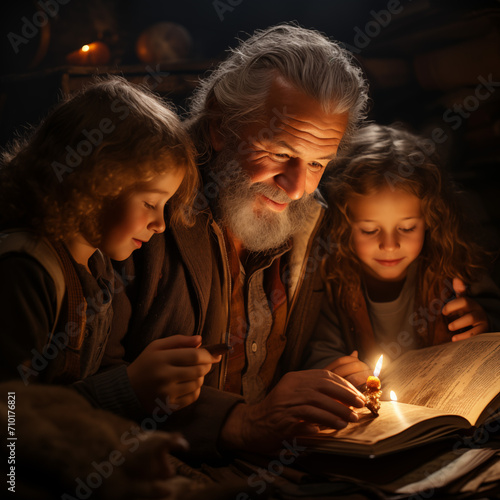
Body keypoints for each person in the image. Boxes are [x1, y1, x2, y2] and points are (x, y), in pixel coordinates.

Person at [109, 23, 370, 456]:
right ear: (219, 126)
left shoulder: (312, 219)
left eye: (318, 163)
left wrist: (329, 381)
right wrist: (239, 422)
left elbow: (303, 346)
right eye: (281, 154)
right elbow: (79, 387)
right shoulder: (144, 210)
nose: (298, 187)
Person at [0, 76, 219, 415]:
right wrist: (127, 387)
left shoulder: (97, 265)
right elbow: (12, 417)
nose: (160, 225)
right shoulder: (26, 270)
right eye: (150, 203)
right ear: (95, 182)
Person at [302, 123, 500, 388]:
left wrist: (483, 322)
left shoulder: (453, 265)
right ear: (344, 226)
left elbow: (493, 319)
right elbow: (319, 353)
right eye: (370, 230)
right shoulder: (332, 280)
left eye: (406, 228)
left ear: (430, 220)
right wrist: (340, 372)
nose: (390, 245)